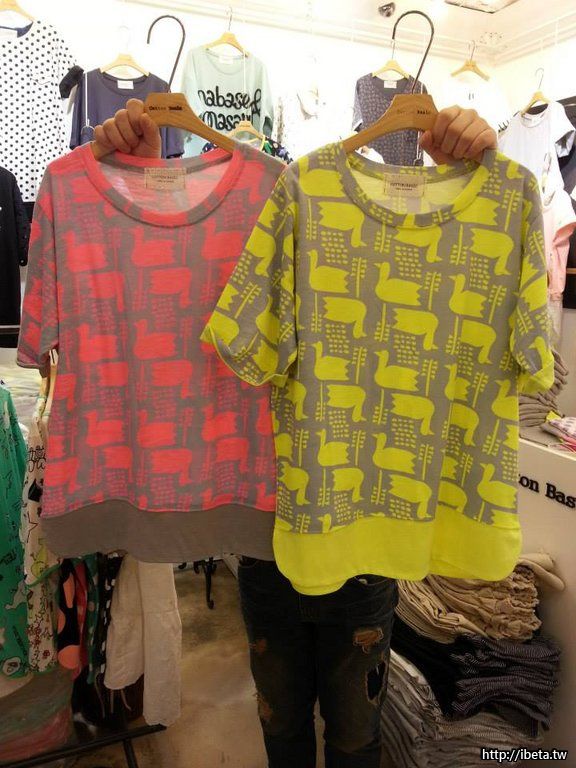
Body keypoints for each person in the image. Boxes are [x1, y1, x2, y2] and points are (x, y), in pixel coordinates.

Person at [92, 101, 498, 768]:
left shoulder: (319, 202)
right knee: (282, 730)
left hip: (362, 540)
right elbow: (165, 301)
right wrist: (134, 175)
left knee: (355, 738)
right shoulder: (266, 203)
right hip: (267, 540)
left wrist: (459, 181)